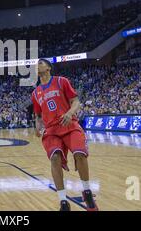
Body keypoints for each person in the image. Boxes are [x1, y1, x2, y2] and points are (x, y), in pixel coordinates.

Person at [32, 59, 98, 211]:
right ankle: (63, 201)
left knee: (80, 154)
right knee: (54, 158)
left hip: (69, 124)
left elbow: (76, 101)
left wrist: (69, 113)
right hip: (52, 131)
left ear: (48, 67)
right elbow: (38, 116)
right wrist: (37, 126)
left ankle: (87, 191)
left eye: (40, 64)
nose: (36, 67)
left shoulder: (62, 81)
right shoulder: (35, 93)